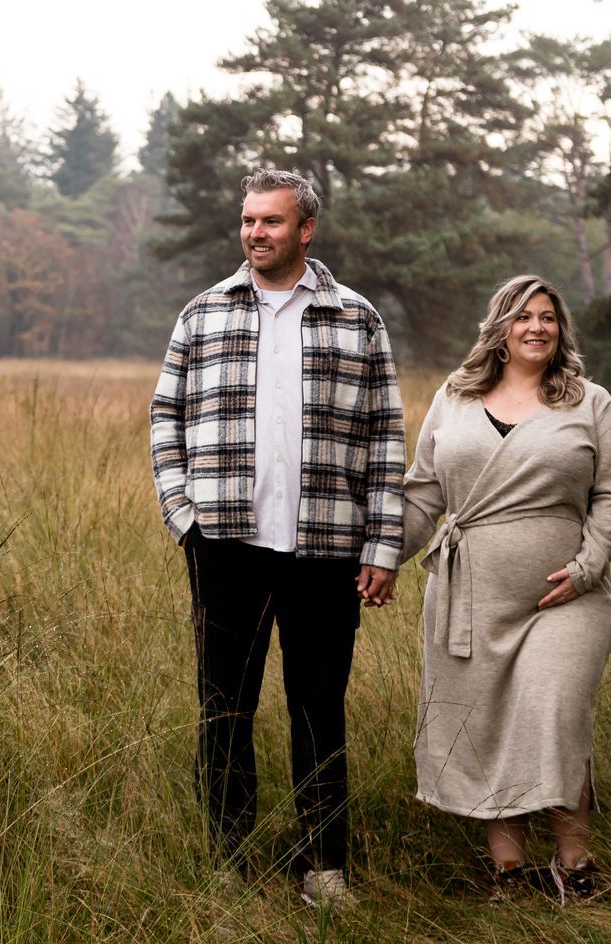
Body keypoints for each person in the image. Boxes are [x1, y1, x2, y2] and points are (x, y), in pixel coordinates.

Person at [149, 169, 413, 909]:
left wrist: (382, 546)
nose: (255, 233)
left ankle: (323, 867)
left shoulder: (356, 318)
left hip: (326, 551)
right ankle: (227, 860)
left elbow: (385, 436)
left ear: (306, 229)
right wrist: (184, 517)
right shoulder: (203, 313)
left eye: (271, 221)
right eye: (248, 220)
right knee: (224, 710)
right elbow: (165, 417)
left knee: (318, 710)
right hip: (225, 545)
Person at [406, 274, 611, 901]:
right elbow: (423, 495)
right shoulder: (454, 397)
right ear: (500, 329)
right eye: (524, 316)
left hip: (565, 599)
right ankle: (507, 871)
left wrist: (587, 568)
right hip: (470, 599)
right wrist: (378, 559)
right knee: (488, 723)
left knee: (555, 714)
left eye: (548, 317)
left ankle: (574, 865)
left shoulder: (590, 402)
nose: (537, 327)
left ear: (561, 331)